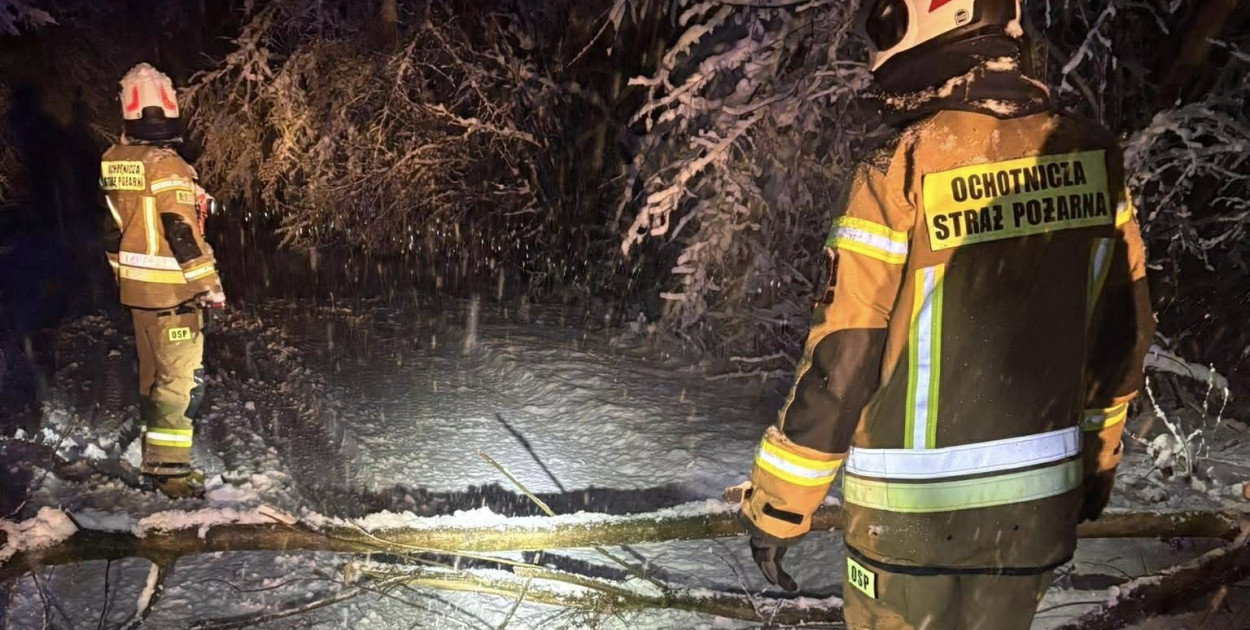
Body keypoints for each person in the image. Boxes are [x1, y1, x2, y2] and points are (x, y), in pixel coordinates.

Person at [727, 1, 1154, 628]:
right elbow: (1123, 336)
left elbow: (845, 356)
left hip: (908, 525)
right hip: (1033, 518)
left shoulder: (902, 165)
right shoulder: (1091, 155)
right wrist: (1097, 460)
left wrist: (781, 506)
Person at [100, 63, 225, 498]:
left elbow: (111, 229)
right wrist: (207, 284)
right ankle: (171, 474)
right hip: (173, 293)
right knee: (180, 383)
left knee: (153, 377)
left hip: (137, 293)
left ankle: (155, 458)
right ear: (169, 105)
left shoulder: (115, 161)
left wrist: (125, 278)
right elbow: (181, 232)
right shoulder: (167, 165)